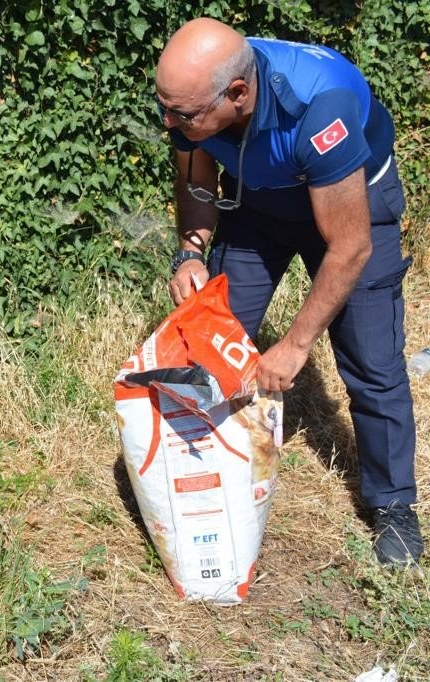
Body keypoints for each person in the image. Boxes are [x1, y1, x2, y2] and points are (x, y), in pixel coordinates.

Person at [154, 18, 423, 565]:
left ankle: (393, 504)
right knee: (211, 336)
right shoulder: (193, 96)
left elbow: (350, 247)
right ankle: (198, 472)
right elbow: (197, 179)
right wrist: (191, 251)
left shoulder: (320, 107)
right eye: (165, 108)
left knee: (372, 363)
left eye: (182, 115)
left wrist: (297, 345)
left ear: (238, 93)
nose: (169, 123)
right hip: (259, 202)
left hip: (352, 207)